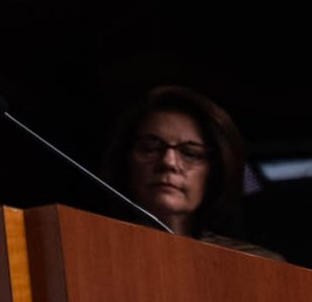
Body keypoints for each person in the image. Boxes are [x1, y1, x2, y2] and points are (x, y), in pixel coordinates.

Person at [101, 85, 275, 255]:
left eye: (190, 153)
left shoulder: (258, 266)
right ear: (126, 160)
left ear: (213, 173)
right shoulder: (94, 249)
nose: (169, 162)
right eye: (150, 148)